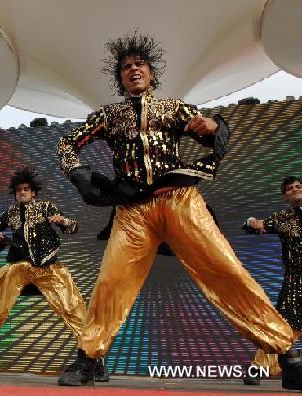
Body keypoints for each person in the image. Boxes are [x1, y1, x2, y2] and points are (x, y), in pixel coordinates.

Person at [55, 32, 301, 389]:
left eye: (139, 64)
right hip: (133, 211)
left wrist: (214, 126)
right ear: (121, 78)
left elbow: (208, 132)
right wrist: (78, 172)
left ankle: (287, 353)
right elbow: (67, 143)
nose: (133, 69)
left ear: (151, 73)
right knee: (111, 282)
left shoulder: (173, 108)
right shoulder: (108, 116)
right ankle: (89, 357)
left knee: (226, 271)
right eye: (126, 67)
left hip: (180, 200)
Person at [0, 167, 107, 381]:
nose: (22, 193)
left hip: (47, 268)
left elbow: (72, 227)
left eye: (26, 189)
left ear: (33, 192)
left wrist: (63, 221)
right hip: (18, 268)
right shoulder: (10, 212)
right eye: (19, 190)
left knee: (73, 308)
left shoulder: (46, 207)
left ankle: (95, 358)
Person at [242, 176, 302, 385]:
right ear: (285, 196)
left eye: (298, 186)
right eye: (289, 189)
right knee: (286, 329)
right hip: (297, 283)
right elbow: (256, 225)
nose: (295, 190)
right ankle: (256, 369)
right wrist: (251, 222)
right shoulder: (283, 217)